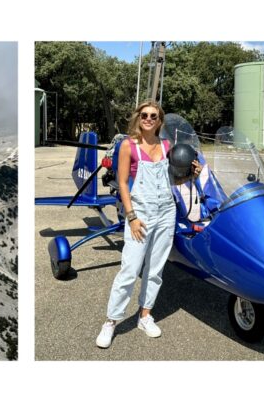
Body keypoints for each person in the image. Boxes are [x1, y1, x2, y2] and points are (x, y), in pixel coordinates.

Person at [96, 101, 199, 348]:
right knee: (130, 269)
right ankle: (111, 321)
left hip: (166, 212)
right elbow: (122, 183)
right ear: (138, 118)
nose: (149, 119)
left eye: (154, 116)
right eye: (145, 115)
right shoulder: (127, 146)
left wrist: (191, 176)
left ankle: (145, 315)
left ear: (160, 120)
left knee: (155, 269)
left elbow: (171, 182)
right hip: (140, 213)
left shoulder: (166, 146)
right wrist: (131, 217)